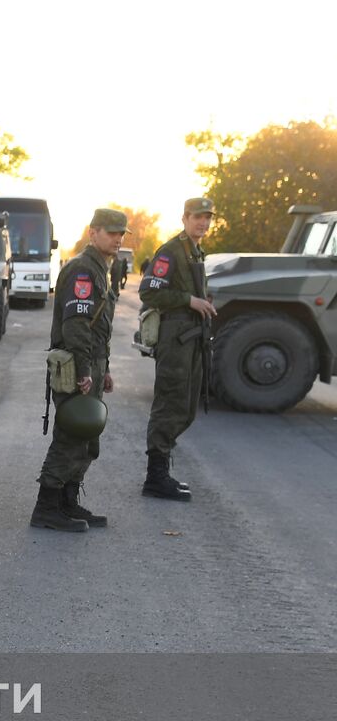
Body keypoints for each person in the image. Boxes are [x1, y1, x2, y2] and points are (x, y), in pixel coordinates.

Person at [30, 208, 127, 532]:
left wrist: (105, 368)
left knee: (87, 438)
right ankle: (47, 508)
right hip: (76, 367)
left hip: (91, 365)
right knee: (71, 435)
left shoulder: (101, 268)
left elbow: (99, 328)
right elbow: (77, 326)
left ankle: (67, 503)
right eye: (111, 232)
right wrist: (86, 370)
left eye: (121, 233)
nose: (117, 238)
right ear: (93, 232)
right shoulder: (83, 270)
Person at [139, 197, 216, 502]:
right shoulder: (171, 251)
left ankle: (161, 471)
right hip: (175, 339)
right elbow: (149, 291)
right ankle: (155, 477)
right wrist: (189, 301)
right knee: (170, 405)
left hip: (192, 337)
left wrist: (203, 304)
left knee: (186, 409)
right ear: (185, 218)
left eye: (208, 217)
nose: (203, 222)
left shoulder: (195, 250)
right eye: (198, 216)